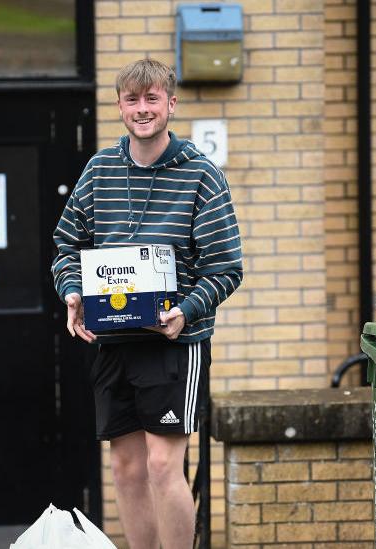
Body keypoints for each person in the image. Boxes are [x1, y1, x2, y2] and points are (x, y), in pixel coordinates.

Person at [50, 58, 243, 549]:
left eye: (151, 99)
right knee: (127, 467)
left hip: (174, 344)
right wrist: (72, 292)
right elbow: (67, 246)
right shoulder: (99, 170)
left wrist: (187, 310)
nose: (142, 109)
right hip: (114, 338)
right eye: (132, 99)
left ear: (170, 105)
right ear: (119, 106)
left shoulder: (202, 175)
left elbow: (226, 268)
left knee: (162, 465)